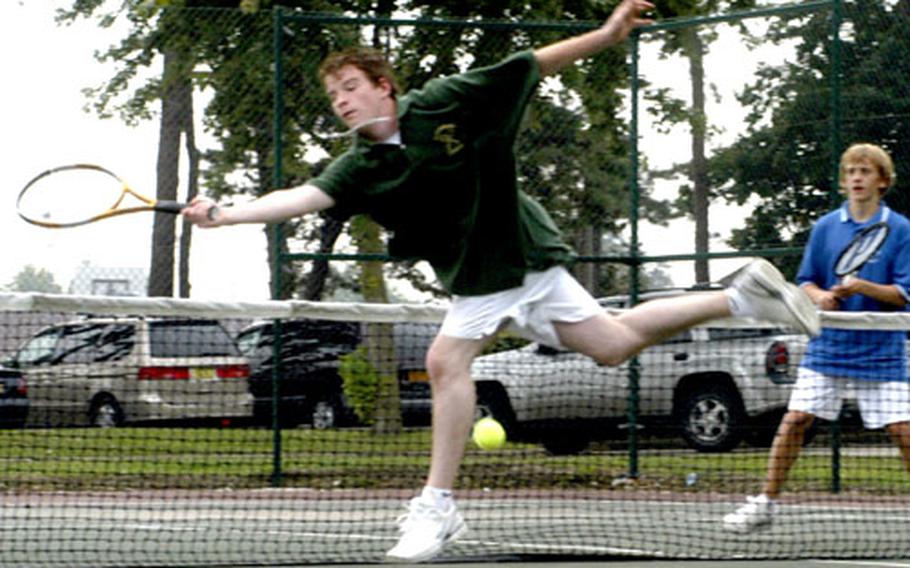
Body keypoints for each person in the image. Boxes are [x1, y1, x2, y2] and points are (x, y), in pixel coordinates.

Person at [183, 0, 819, 560]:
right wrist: (227, 214)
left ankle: (437, 506)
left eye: (351, 86)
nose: (342, 100)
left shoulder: (442, 102)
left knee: (443, 360)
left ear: (385, 87)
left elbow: (530, 65)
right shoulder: (359, 167)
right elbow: (300, 197)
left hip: (508, 251)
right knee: (612, 343)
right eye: (334, 95)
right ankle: (740, 295)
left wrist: (606, 34)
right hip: (505, 267)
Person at [722, 143, 910, 534]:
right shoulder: (825, 228)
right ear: (844, 181)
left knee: (904, 432)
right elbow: (806, 281)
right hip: (829, 346)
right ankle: (765, 504)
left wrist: (865, 287)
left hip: (882, 350)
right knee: (795, 421)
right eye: (851, 172)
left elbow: (903, 294)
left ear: (882, 180)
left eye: (865, 171)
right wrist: (821, 296)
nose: (857, 177)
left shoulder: (902, 229)